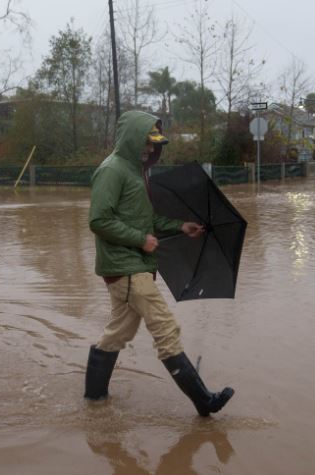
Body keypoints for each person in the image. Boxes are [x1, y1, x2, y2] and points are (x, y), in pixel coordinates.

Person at [84, 110, 234, 417]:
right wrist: (140, 239)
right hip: (126, 267)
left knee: (117, 333)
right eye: (147, 142)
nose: (151, 149)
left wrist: (180, 226)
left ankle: (94, 400)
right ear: (131, 138)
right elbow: (98, 220)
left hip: (134, 265)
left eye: (155, 144)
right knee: (166, 329)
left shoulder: (137, 172)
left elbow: (146, 218)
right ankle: (204, 402)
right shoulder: (111, 170)